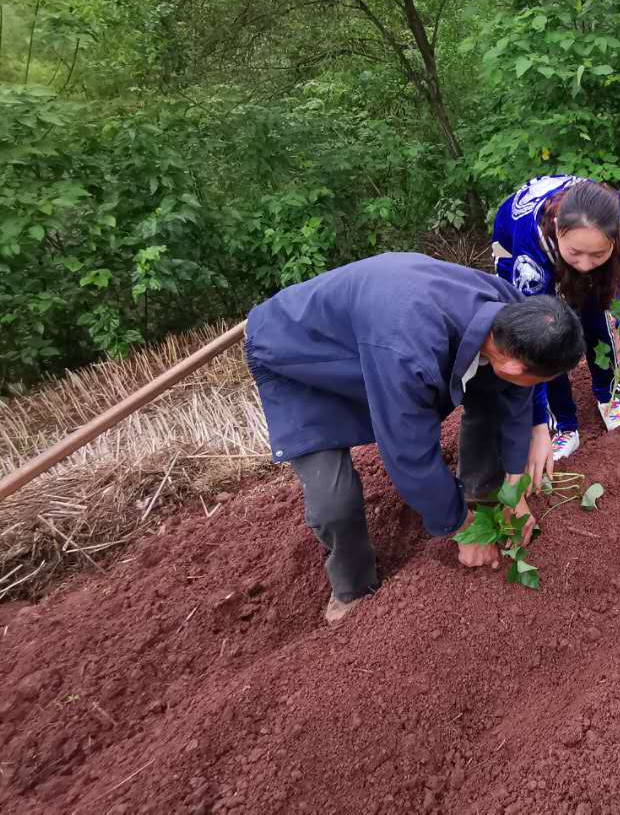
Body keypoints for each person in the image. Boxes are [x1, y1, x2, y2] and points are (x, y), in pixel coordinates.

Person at [244, 253, 584, 623]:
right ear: (514, 364)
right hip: (299, 355)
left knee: (492, 396)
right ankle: (354, 591)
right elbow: (409, 456)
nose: (537, 388)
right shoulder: (410, 352)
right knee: (334, 500)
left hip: (372, 338)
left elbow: (514, 400)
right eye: (542, 380)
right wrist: (464, 530)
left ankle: (482, 497)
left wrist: (512, 487)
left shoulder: (517, 317)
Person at [491, 176, 620, 462]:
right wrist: (538, 424)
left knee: (593, 307)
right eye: (576, 253)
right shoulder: (531, 250)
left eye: (598, 254)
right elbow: (532, 342)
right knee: (550, 337)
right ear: (560, 232)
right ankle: (564, 425)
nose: (585, 265)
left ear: (614, 240)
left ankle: (607, 394)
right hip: (511, 241)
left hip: (571, 237)